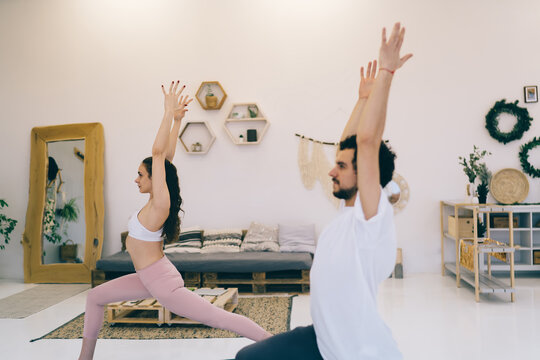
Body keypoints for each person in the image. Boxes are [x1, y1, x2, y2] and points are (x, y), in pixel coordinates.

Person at [235, 22, 412, 360]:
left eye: (342, 168)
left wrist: (387, 73)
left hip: (353, 351)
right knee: (247, 358)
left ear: (368, 178)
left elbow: (367, 141)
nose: (332, 170)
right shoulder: (349, 214)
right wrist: (361, 100)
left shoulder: (370, 220)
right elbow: (349, 145)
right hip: (321, 337)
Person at [78, 81, 272, 360]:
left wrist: (167, 112)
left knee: (219, 318)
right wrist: (177, 122)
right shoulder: (153, 201)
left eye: (140, 175)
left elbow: (158, 155)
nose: (136, 179)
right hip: (148, 277)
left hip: (162, 283)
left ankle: (275, 344)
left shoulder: (160, 204)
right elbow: (165, 157)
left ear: (153, 179)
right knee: (94, 297)